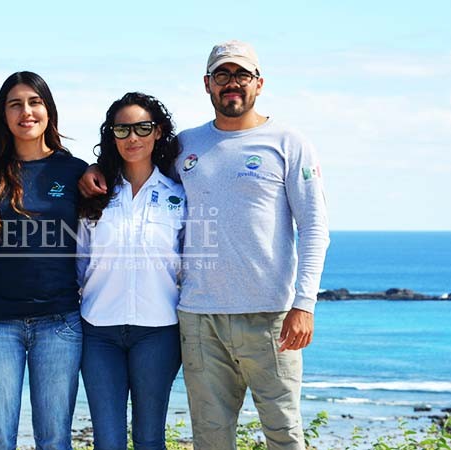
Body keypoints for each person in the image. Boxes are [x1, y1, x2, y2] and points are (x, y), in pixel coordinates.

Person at [78, 40, 330, 450]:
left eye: (241, 75)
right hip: (198, 318)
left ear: (259, 83)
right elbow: (135, 161)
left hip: (269, 316)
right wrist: (93, 168)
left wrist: (304, 304)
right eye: (222, 75)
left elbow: (315, 227)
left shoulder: (289, 141)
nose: (232, 83)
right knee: (210, 440)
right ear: (208, 84)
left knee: (284, 434)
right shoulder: (185, 146)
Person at [0, 71, 89, 450]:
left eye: (34, 102)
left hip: (60, 323)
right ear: (3, 114)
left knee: (54, 440)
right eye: (15, 104)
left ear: (48, 110)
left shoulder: (75, 172)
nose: (26, 111)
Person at [76, 92, 184, 450]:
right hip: (98, 332)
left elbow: (190, 264)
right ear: (112, 135)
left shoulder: (180, 195)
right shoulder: (95, 193)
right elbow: (79, 263)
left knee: (150, 439)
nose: (132, 138)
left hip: (159, 332)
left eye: (142, 128)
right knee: (107, 441)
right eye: (122, 130)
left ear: (158, 132)